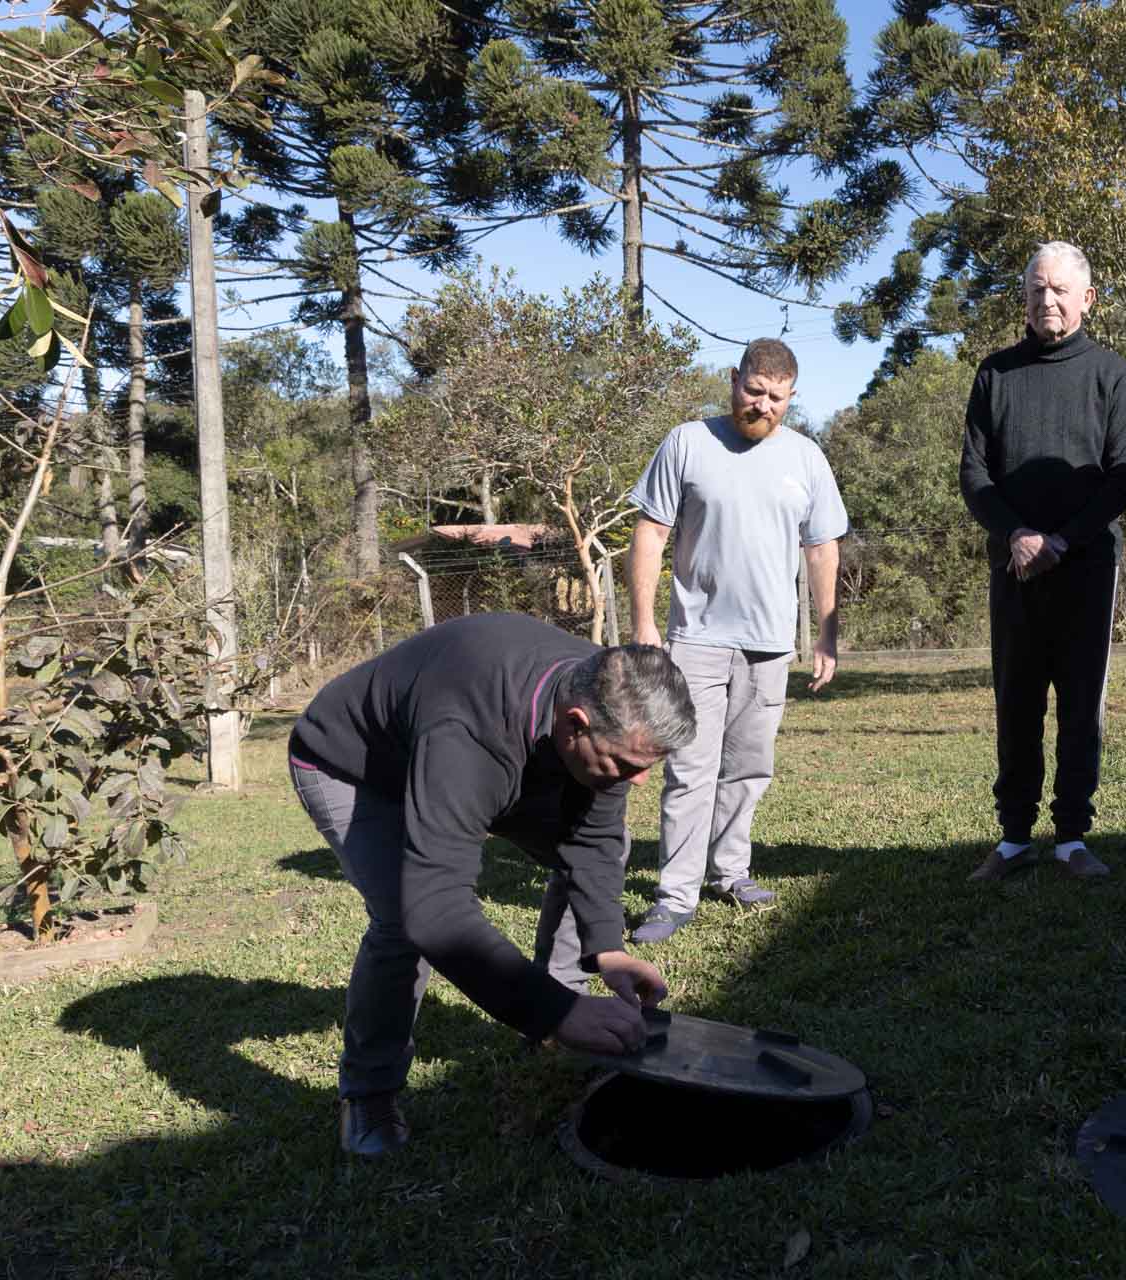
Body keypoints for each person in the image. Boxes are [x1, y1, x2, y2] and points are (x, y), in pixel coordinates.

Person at [288, 613, 697, 1156]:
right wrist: (553, 1012)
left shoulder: (609, 698)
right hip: (356, 767)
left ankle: (559, 1005)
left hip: (487, 752)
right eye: (625, 764)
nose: (639, 780)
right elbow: (436, 910)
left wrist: (608, 949)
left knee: (608, 846)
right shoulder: (470, 731)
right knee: (401, 919)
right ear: (575, 724)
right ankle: (369, 1093)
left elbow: (593, 842)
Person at [624, 337, 847, 943]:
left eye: (778, 398)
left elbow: (822, 548)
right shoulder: (687, 442)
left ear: (792, 397)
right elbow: (650, 533)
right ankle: (675, 896)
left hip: (769, 643)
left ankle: (729, 873)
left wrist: (826, 633)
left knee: (748, 767)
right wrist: (644, 622)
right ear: (734, 379)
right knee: (690, 769)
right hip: (695, 639)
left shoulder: (806, 458)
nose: (763, 406)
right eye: (754, 391)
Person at [959, 241, 1126, 882]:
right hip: (1013, 568)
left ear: (1086, 298)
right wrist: (1016, 534)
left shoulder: (1113, 374)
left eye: (1061, 289)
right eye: (1037, 288)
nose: (1048, 299)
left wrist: (1063, 539)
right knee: (1016, 703)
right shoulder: (995, 373)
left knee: (1079, 706)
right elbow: (974, 474)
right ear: (1024, 297)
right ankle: (1014, 837)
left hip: (1087, 569)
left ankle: (1072, 837)